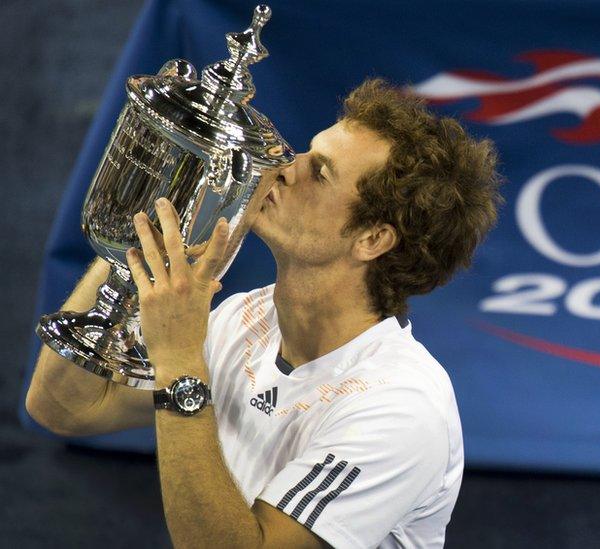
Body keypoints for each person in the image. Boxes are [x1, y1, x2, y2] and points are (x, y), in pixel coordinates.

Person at [26, 78, 502, 549]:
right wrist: (131, 248)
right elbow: (65, 407)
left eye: (320, 172)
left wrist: (180, 364)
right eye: (305, 153)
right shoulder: (246, 318)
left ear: (372, 239)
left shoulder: (401, 409)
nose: (283, 166)